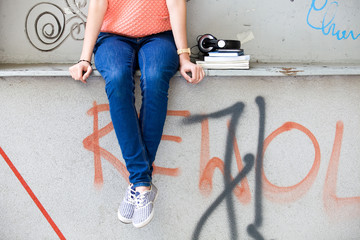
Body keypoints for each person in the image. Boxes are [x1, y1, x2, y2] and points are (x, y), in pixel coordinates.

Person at [69, 0, 205, 228]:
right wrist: (84, 58)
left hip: (159, 37)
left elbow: (176, 5)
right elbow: (97, 6)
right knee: (117, 78)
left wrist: (184, 57)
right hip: (112, 37)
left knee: (154, 79)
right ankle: (143, 184)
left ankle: (139, 184)